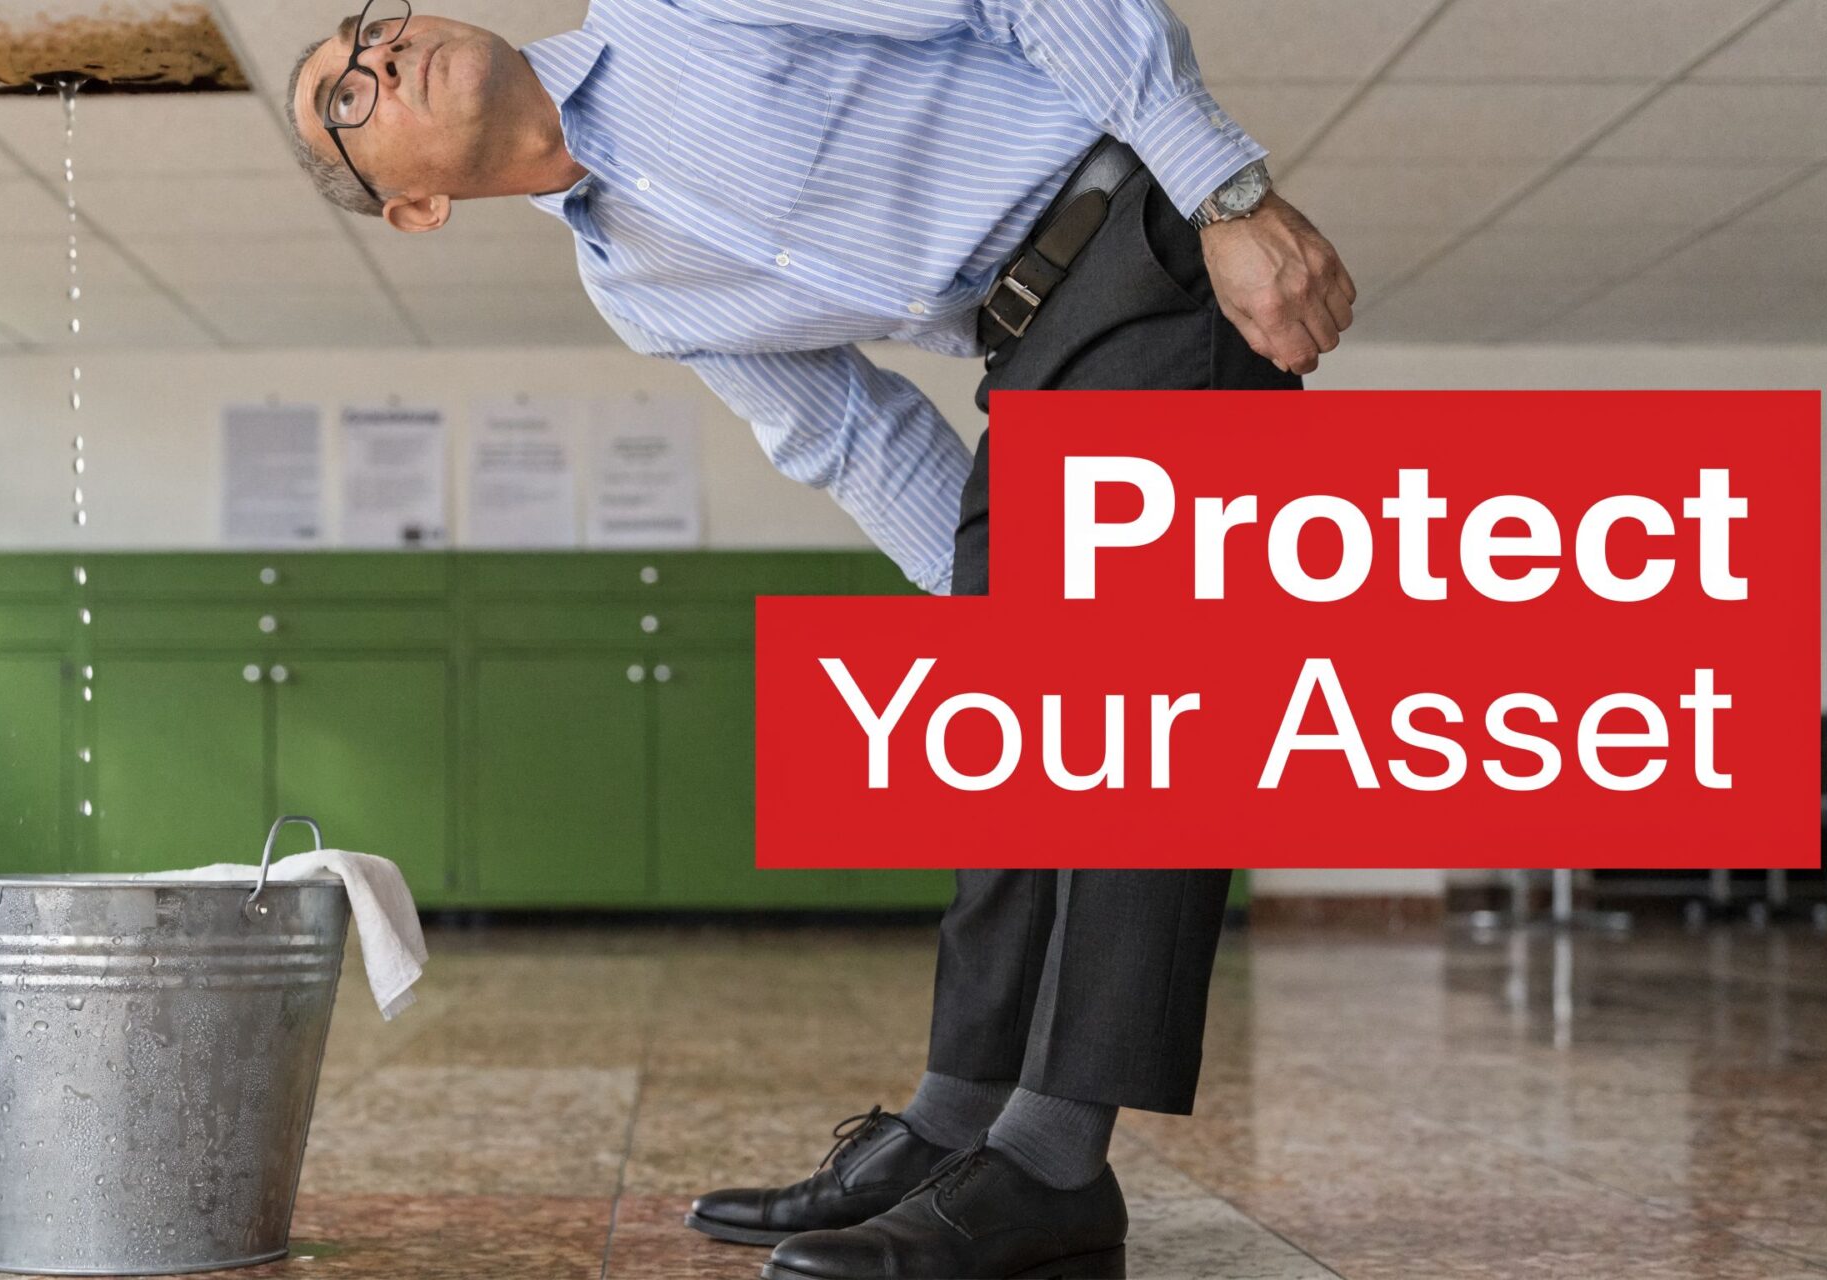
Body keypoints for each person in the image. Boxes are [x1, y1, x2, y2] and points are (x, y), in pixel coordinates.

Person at [282, 3, 1354, 1276]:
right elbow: (852, 434)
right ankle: (957, 1118)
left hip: (1149, 241)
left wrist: (1226, 193)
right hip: (1042, 353)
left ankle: (1055, 1162)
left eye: (368, 30)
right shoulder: (633, 281)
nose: (378, 56)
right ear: (411, 208)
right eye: (346, 97)